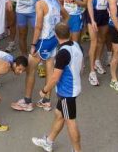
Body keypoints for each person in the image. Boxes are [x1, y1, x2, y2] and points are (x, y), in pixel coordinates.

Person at [32, 23, 83, 152]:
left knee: (70, 121)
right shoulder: (76, 45)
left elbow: (55, 78)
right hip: (74, 87)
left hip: (67, 92)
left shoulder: (62, 53)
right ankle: (48, 141)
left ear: (55, 35)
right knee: (59, 114)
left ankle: (77, 150)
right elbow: (81, 67)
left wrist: (44, 91)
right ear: (69, 33)